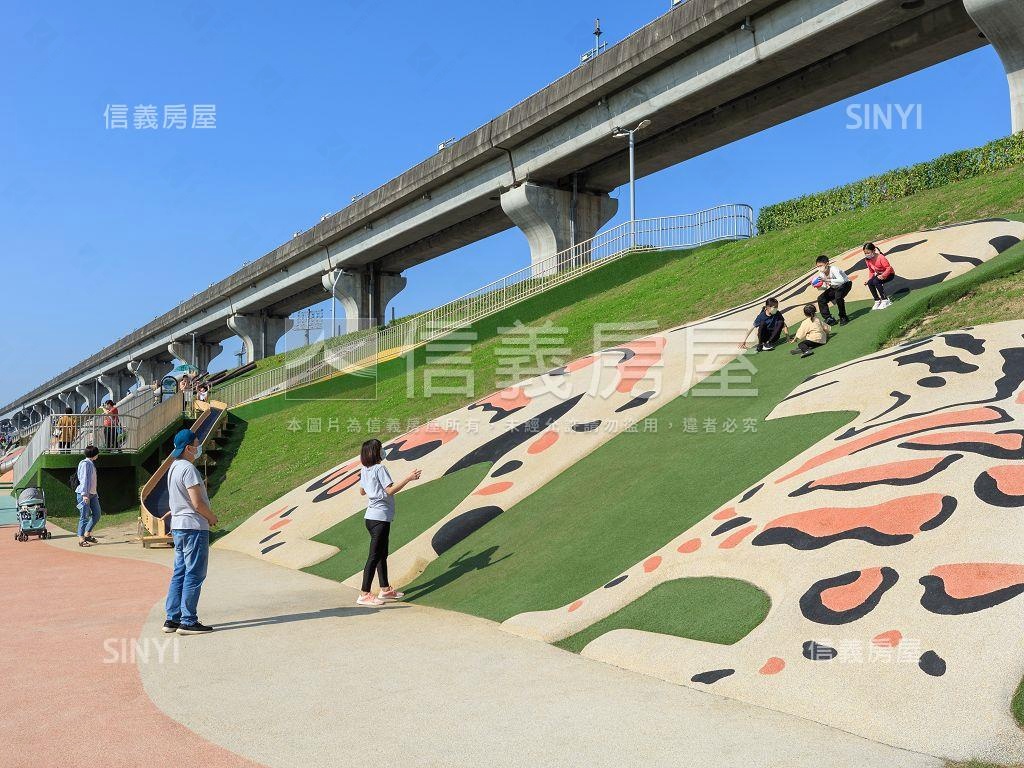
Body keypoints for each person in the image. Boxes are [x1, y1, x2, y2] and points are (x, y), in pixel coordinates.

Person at [163, 429, 218, 635]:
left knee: (180, 571)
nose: (198, 447)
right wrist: (211, 517)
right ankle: (188, 620)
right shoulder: (188, 469)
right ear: (188, 448)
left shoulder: (173, 467)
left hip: (178, 526)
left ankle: (172, 618)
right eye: (197, 444)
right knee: (194, 573)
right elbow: (197, 503)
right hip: (193, 526)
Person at [356, 438, 421, 607]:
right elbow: (390, 490)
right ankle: (364, 594)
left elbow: (362, 491)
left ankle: (385, 589)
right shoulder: (380, 469)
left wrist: (370, 485)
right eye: (380, 448)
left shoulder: (365, 469)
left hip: (371, 518)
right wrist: (409, 478)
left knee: (381, 554)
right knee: (374, 556)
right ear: (375, 452)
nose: (382, 451)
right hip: (379, 518)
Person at [813, 255, 852, 326]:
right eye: (817, 266)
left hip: (845, 284)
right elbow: (825, 287)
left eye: (821, 266)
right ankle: (829, 318)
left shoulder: (834, 269)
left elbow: (841, 280)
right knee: (821, 299)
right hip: (834, 287)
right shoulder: (821, 274)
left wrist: (827, 280)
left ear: (827, 264)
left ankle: (843, 317)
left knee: (838, 297)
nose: (819, 268)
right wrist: (818, 286)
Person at [75, 445, 101, 547]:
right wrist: (85, 495)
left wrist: (94, 493)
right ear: (94, 454)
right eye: (97, 453)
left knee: (97, 514)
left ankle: (87, 534)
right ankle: (81, 539)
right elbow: (84, 480)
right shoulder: (85, 464)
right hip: (84, 495)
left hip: (93, 494)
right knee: (84, 517)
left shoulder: (91, 463)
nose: (98, 455)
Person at [863, 242, 896, 310]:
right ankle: (877, 300)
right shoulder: (867, 260)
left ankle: (885, 300)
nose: (867, 255)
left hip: (889, 274)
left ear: (874, 250)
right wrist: (869, 279)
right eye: (865, 253)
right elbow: (871, 271)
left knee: (876, 281)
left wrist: (883, 275)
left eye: (868, 253)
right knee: (870, 283)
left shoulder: (881, 257)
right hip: (880, 275)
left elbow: (889, 268)